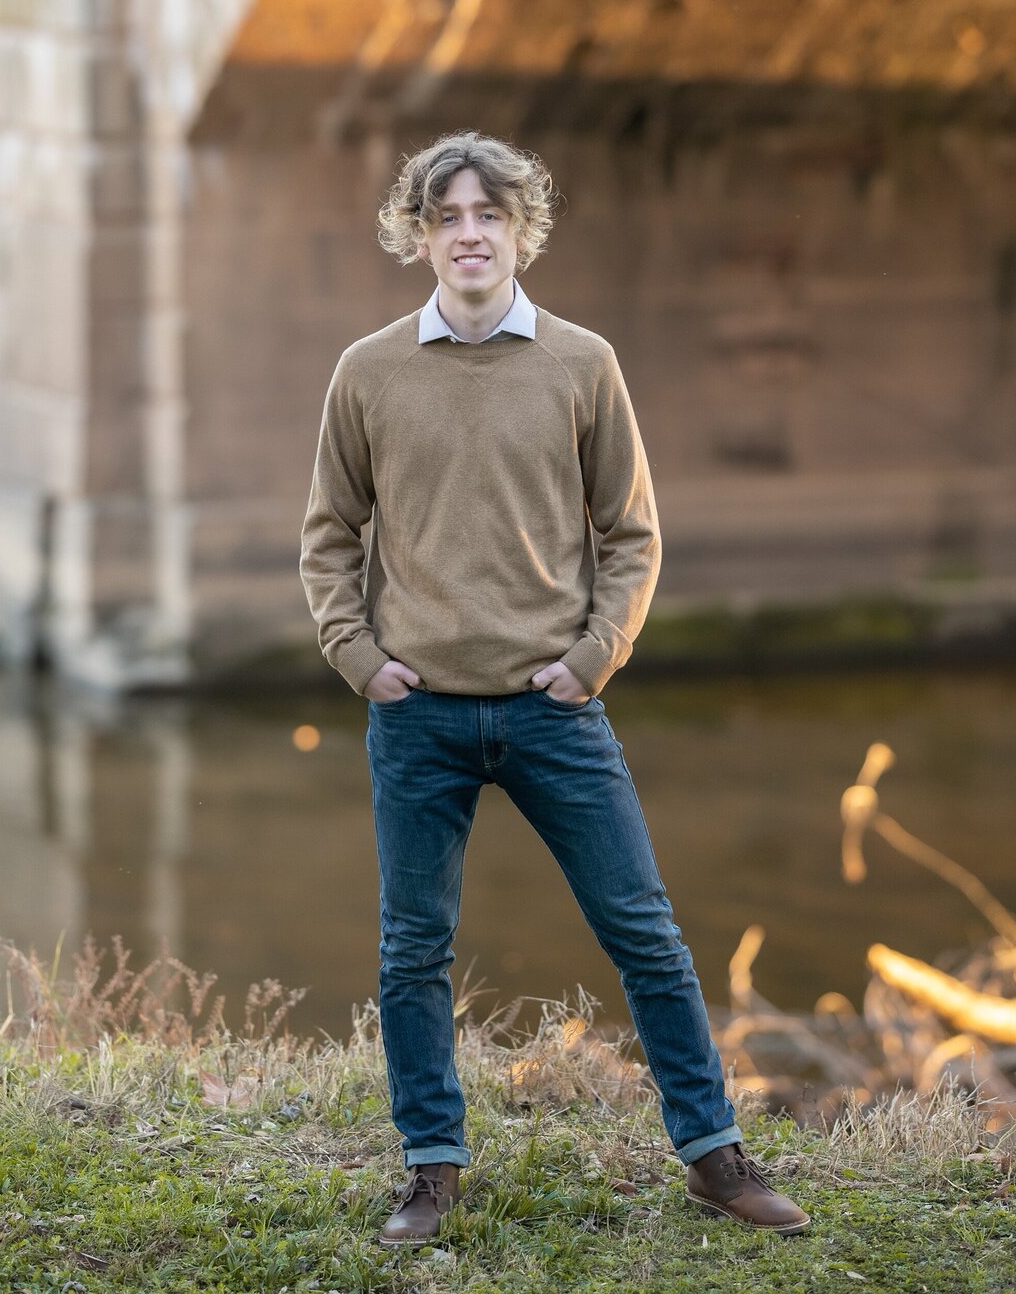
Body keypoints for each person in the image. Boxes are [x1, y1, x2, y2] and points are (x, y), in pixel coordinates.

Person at [299, 130, 809, 1247]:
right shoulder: (368, 371)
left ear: (522, 231)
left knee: (648, 936)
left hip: (552, 709)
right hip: (417, 713)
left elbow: (632, 534)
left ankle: (715, 1158)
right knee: (412, 952)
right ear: (418, 235)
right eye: (447, 216)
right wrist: (357, 658)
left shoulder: (583, 363)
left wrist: (592, 659)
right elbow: (330, 536)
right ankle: (431, 1168)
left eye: (490, 214)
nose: (470, 234)